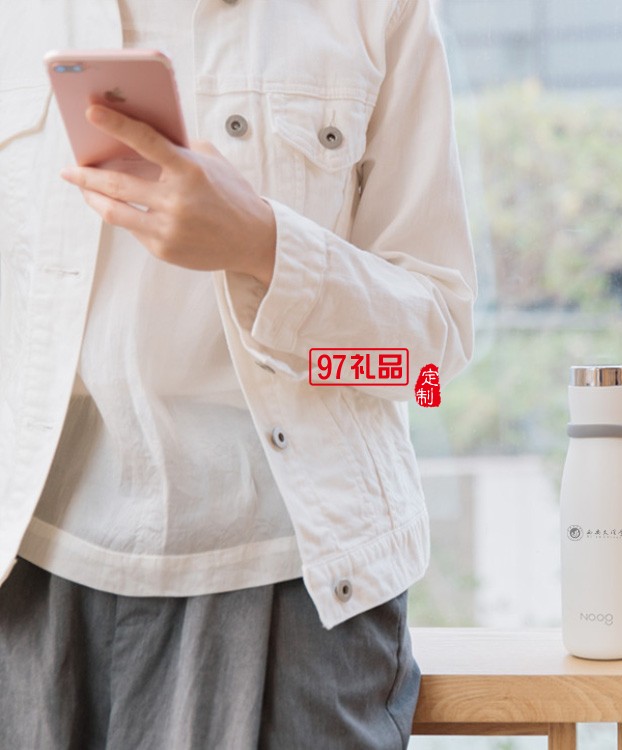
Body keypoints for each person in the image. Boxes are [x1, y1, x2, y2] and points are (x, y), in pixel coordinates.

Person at [0, 1, 476, 748]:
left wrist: (264, 245)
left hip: (294, 586)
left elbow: (428, 358)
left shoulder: (376, 13)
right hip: (30, 572)